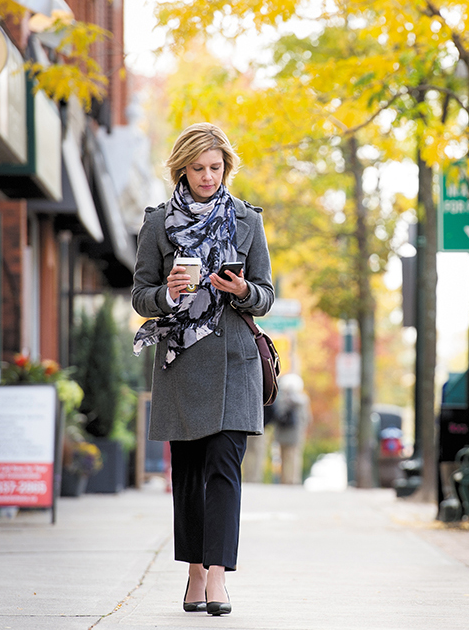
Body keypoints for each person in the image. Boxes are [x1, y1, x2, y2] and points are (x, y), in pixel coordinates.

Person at [131, 123, 274, 616]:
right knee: (189, 475)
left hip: (235, 363)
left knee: (223, 470)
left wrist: (242, 292)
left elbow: (266, 294)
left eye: (216, 168)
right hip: (180, 360)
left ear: (226, 168)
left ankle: (217, 578)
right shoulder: (157, 224)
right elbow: (140, 296)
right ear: (181, 170)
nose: (208, 177)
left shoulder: (245, 221)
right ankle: (193, 573)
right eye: (198, 169)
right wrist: (169, 293)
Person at [273, 373, 312, 484]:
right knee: (294, 457)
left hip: (282, 433)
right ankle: (293, 479)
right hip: (296, 434)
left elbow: (277, 415)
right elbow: (306, 418)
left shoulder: (281, 399)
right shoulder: (303, 400)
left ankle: (285, 479)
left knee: (283, 458)